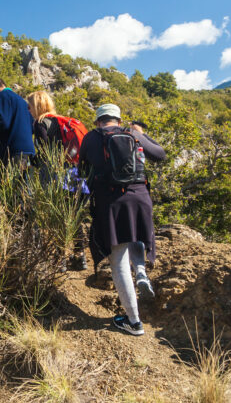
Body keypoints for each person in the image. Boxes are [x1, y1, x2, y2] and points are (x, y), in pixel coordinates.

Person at [78, 103, 166, 336]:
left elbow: (82, 171)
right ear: (118, 119)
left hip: (111, 203)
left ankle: (134, 322)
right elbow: (160, 154)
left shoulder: (91, 138)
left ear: (98, 121)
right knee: (136, 236)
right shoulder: (133, 134)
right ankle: (140, 270)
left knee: (118, 262)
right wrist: (139, 133)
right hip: (140, 198)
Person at [27, 90, 88, 270]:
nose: (29, 109)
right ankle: (80, 256)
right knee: (72, 213)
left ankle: (59, 260)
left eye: (30, 105)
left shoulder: (40, 123)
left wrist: (32, 162)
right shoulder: (62, 121)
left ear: (37, 106)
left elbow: (46, 152)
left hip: (55, 175)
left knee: (56, 214)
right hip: (73, 173)